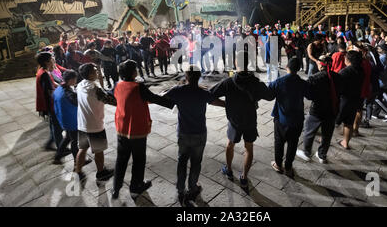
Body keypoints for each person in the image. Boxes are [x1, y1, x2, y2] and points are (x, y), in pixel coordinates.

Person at [111, 60, 174, 199]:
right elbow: (154, 98)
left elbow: (116, 98)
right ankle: (136, 185)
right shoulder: (138, 87)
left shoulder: (117, 85)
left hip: (121, 127)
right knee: (139, 159)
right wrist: (172, 101)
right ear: (133, 72)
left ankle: (116, 188)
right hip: (136, 128)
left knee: (121, 158)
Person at [210, 51, 272, 189]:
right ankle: (244, 177)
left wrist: (225, 104)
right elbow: (270, 96)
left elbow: (210, 97)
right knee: (249, 148)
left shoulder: (228, 82)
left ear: (235, 63)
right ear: (249, 62)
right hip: (250, 120)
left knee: (230, 145)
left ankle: (229, 169)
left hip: (234, 121)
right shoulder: (255, 82)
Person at [164, 68, 225, 205]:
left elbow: (162, 98)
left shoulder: (177, 91)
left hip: (183, 133)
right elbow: (219, 103)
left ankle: (180, 188)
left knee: (182, 160)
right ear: (199, 77)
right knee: (196, 162)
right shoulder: (203, 93)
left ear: (186, 76)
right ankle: (193, 187)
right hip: (199, 133)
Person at [267, 57, 311, 177]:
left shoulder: (279, 82)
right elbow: (310, 95)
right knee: (293, 143)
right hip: (297, 119)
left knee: (279, 142)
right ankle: (288, 167)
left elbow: (269, 95)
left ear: (287, 67)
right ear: (298, 69)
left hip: (281, 118)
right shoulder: (302, 83)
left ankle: (278, 164)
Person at [75, 63, 116, 181]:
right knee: (99, 151)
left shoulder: (80, 85)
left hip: (83, 124)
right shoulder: (95, 89)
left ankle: (78, 172)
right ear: (90, 74)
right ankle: (101, 172)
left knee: (82, 148)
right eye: (95, 70)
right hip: (95, 125)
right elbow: (112, 101)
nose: (98, 72)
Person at [296, 55, 340, 163]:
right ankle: (322, 155)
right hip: (332, 110)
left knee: (309, 131)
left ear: (320, 64)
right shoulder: (338, 77)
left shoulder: (314, 78)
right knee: (327, 134)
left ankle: (306, 152)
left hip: (317, 110)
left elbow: (309, 96)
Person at [52, 70, 91, 166]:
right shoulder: (68, 93)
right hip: (71, 120)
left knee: (68, 138)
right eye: (75, 79)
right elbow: (76, 101)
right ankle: (77, 162)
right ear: (70, 80)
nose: (76, 80)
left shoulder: (59, 88)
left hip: (63, 118)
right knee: (75, 141)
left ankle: (57, 157)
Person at [35, 52, 66, 154]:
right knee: (58, 128)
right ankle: (61, 149)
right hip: (51, 105)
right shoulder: (44, 74)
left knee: (54, 125)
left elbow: (52, 83)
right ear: (47, 61)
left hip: (49, 104)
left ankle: (49, 144)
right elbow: (50, 91)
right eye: (52, 58)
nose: (54, 59)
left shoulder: (43, 71)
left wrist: (62, 86)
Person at [335, 50, 364, 149]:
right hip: (355, 99)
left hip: (344, 100)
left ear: (348, 60)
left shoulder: (345, 71)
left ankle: (324, 139)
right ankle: (345, 143)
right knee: (349, 123)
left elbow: (337, 87)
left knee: (334, 122)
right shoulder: (361, 70)